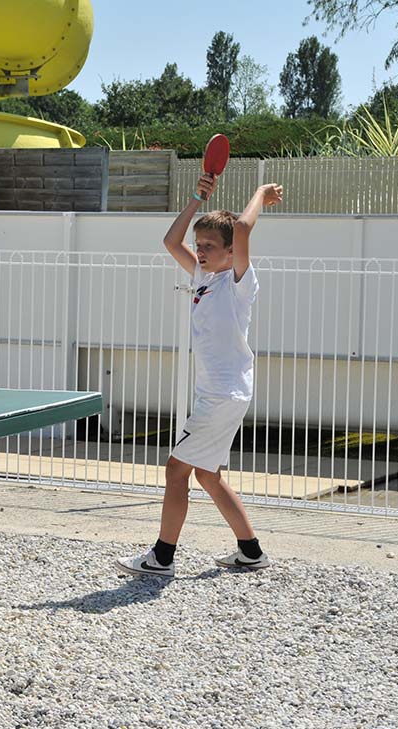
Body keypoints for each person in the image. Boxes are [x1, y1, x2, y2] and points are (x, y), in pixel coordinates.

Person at [116, 175, 284, 578]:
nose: (201, 251)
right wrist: (197, 199)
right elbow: (171, 242)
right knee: (207, 474)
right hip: (226, 393)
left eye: (210, 246)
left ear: (231, 252)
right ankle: (250, 551)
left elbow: (242, 228)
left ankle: (161, 558)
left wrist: (260, 192)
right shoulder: (203, 278)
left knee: (176, 470)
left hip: (221, 394)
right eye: (201, 244)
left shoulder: (240, 283)